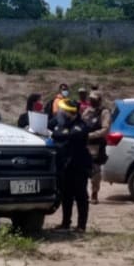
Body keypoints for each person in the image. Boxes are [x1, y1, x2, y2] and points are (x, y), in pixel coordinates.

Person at [49, 98, 92, 233]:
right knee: (66, 196)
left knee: (80, 196)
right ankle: (65, 223)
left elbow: (63, 135)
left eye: (62, 111)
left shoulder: (80, 126)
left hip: (79, 167)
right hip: (65, 167)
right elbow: (53, 129)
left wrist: (57, 132)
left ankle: (81, 226)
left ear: (69, 112)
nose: (59, 113)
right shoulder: (62, 124)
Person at [81, 90, 111, 204]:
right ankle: (83, 193)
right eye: (91, 99)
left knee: (95, 171)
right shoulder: (88, 111)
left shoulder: (104, 112)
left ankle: (94, 193)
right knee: (83, 170)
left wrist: (90, 135)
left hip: (97, 145)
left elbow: (105, 129)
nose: (91, 101)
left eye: (94, 99)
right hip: (85, 144)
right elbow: (82, 122)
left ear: (99, 100)